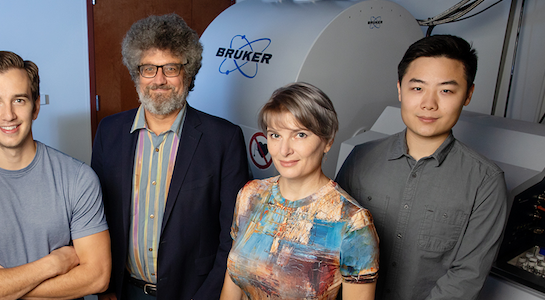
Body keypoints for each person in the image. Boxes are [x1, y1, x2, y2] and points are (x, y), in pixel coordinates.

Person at [336, 35, 508, 300]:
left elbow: (465, 277)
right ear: (399, 89)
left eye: (446, 90)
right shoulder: (360, 158)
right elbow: (330, 245)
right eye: (417, 88)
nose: (429, 103)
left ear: (468, 95)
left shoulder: (485, 182)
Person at [91, 13, 250, 300]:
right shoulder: (109, 132)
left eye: (171, 68)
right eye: (149, 68)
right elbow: (96, 218)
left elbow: (235, 235)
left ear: (188, 74)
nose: (159, 80)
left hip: (194, 293)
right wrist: (106, 289)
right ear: (136, 74)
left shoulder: (223, 139)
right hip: (124, 291)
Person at [0, 50, 111, 300]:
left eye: (19, 100)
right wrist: (52, 265)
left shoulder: (78, 178)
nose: (8, 115)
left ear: (35, 106)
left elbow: (97, 277)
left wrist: (1, 286)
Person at [220, 83, 379, 300]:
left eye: (300, 135)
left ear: (328, 141)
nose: (284, 150)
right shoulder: (251, 194)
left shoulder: (352, 223)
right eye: (275, 135)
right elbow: (233, 277)